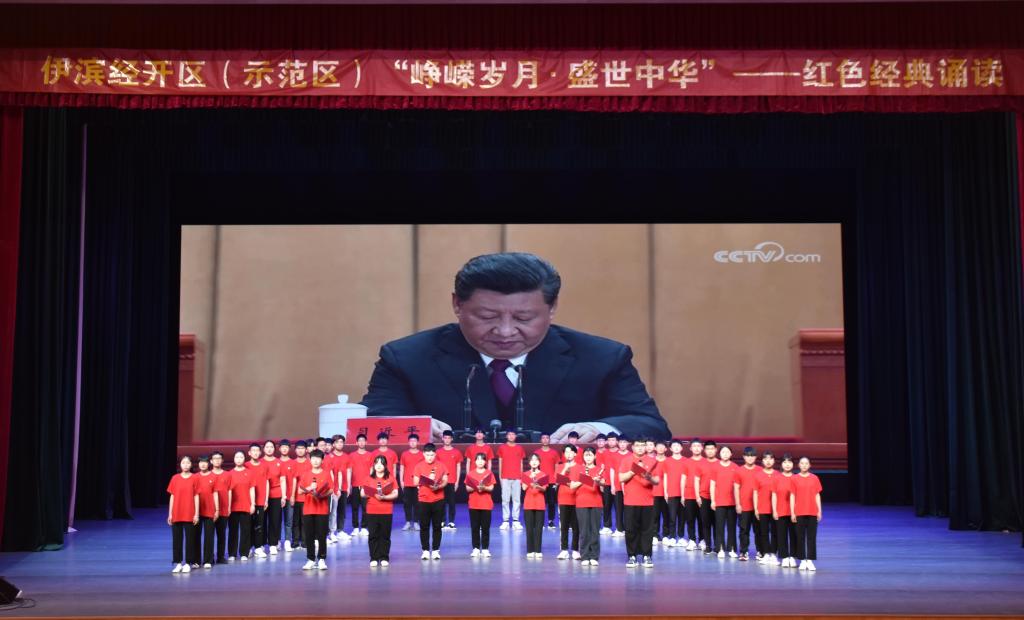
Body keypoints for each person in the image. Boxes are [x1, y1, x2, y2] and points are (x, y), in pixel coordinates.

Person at [360, 252, 670, 442]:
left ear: (552, 308)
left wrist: (598, 429)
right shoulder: (406, 358)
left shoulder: (602, 358)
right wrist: (412, 429)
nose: (505, 331)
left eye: (523, 318)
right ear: (457, 304)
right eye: (487, 316)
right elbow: (369, 426)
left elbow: (649, 425)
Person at [619, 437, 661, 568]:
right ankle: (632, 556)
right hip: (630, 501)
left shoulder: (652, 461)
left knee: (647, 530)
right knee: (631, 530)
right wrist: (634, 470)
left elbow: (657, 481)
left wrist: (649, 477)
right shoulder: (626, 460)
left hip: (647, 501)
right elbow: (621, 478)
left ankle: (647, 556)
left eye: (643, 445)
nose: (640, 448)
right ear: (632, 447)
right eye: (637, 445)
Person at [413, 443, 449, 560]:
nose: (430, 457)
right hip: (423, 499)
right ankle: (425, 550)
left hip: (438, 499)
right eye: (427, 455)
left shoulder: (441, 465)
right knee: (424, 526)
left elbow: (445, 480)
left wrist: (438, 486)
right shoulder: (418, 466)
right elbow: (415, 482)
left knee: (437, 526)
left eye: (432, 455)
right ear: (423, 454)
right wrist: (427, 479)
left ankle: (435, 550)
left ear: (435, 454)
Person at [363, 455, 399, 567]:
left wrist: (384, 497)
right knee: (373, 535)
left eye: (381, 463)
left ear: (385, 465)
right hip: (372, 510)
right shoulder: (369, 478)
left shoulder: (391, 478)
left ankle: (384, 557)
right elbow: (362, 493)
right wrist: (371, 493)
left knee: (385, 535)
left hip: (386, 510)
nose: (378, 465)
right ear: (374, 465)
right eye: (376, 463)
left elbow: (396, 494)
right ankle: (374, 557)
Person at [297, 449, 331, 570]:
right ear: (310, 460)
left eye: (318, 458)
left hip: (322, 509)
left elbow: (331, 489)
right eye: (313, 458)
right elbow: (299, 491)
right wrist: (309, 487)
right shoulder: (305, 474)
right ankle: (310, 559)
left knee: (322, 535)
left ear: (322, 460)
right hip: (308, 509)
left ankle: (321, 559)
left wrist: (322, 495)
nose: (316, 461)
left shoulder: (326, 474)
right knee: (309, 536)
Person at [572, 447, 606, 566]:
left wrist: (598, 481)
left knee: (595, 530)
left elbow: (603, 486)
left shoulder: (599, 469)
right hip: (581, 502)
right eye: (586, 455)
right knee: (584, 530)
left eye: (590, 455)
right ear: (583, 457)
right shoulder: (577, 469)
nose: (588, 457)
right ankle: (585, 555)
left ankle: (594, 556)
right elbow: (572, 486)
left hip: (596, 502)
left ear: (595, 456)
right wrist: (584, 480)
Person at [167, 456, 199, 574]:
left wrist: (196, 514)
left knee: (190, 539)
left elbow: (196, 496)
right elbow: (172, 496)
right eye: (183, 462)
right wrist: (170, 514)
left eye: (188, 463)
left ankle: (188, 563)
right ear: (180, 464)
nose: (185, 465)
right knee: (177, 539)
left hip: (189, 513)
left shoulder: (195, 478)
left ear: (191, 465)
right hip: (177, 512)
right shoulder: (175, 478)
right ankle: (178, 563)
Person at [791, 456, 822, 571]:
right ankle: (802, 560)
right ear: (799, 465)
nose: (804, 465)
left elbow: (817, 495)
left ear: (809, 465)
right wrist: (792, 512)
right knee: (800, 537)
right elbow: (792, 496)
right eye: (802, 463)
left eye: (806, 463)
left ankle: (810, 560)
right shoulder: (794, 478)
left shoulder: (814, 478)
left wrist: (819, 510)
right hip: (799, 511)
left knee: (811, 537)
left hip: (812, 511)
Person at [710, 445, 740, 559]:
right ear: (720, 454)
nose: (725, 454)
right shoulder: (715, 467)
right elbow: (712, 485)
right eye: (723, 452)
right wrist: (713, 500)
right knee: (719, 527)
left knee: (732, 527)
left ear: (731, 454)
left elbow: (738, 486)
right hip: (719, 502)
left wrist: (738, 502)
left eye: (727, 452)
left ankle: (732, 549)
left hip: (732, 502)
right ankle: (720, 549)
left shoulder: (735, 467)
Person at [465, 452, 496, 557]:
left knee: (485, 528)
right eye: (478, 459)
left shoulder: (489, 473)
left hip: (486, 504)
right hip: (474, 504)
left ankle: (485, 548)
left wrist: (484, 488)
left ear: (485, 462)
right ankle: (476, 548)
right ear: (475, 461)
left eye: (482, 459)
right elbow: (467, 488)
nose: (480, 461)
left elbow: (491, 488)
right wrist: (476, 487)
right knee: (475, 527)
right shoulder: (470, 474)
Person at [226, 450, 255, 562]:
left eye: (241, 457)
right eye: (237, 457)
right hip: (233, 507)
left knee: (245, 530)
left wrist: (252, 504)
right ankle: (232, 553)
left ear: (244, 459)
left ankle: (244, 553)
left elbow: (252, 489)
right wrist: (228, 507)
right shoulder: (229, 474)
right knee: (233, 531)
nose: (239, 459)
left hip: (246, 505)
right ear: (234, 459)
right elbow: (228, 491)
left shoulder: (249, 473)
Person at [244, 443, 270, 558]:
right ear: (249, 453)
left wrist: (266, 499)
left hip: (260, 500)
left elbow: (267, 482)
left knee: (259, 525)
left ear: (260, 452)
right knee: (248, 525)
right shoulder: (245, 465)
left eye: (257, 450)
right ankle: (248, 547)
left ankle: (258, 548)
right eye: (253, 450)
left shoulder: (264, 466)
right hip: (248, 501)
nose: (255, 452)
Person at [261, 440, 287, 555]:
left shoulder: (279, 462)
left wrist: (284, 496)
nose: (269, 449)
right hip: (262, 495)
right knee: (261, 520)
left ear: (274, 449)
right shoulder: (260, 462)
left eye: (271, 447)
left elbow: (283, 480)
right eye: (267, 447)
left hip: (276, 494)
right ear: (263, 449)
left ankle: (273, 544)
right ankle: (261, 544)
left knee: (275, 520)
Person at [772, 454, 798, 568]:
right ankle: (784, 557)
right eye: (785, 462)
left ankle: (792, 556)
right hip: (781, 511)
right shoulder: (777, 478)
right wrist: (774, 510)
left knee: (793, 534)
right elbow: (774, 495)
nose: (787, 465)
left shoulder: (796, 478)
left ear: (793, 464)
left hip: (794, 512)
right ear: (781, 464)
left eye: (789, 462)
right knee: (781, 535)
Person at [193, 456, 219, 569]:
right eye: (201, 462)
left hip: (209, 510)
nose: (203, 464)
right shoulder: (194, 477)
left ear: (209, 464)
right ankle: (196, 560)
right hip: (196, 511)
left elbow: (215, 493)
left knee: (209, 536)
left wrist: (217, 510)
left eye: (205, 462)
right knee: (195, 536)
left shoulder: (213, 476)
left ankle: (208, 560)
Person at [497, 430, 525, 531]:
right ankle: (505, 521)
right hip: (505, 477)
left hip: (517, 477)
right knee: (505, 499)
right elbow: (500, 462)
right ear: (506, 436)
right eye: (509, 434)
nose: (511, 436)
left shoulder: (520, 448)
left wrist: (521, 477)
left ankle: (515, 521)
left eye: (513, 434)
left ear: (516, 436)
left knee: (516, 499)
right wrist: (500, 477)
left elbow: (521, 463)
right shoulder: (502, 447)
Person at [660, 439, 687, 547]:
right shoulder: (667, 461)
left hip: (683, 493)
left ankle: (681, 536)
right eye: (674, 446)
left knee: (682, 517)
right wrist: (665, 492)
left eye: (678, 445)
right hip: (671, 492)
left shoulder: (686, 461)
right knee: (672, 516)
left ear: (681, 448)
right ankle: (672, 536)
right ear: (670, 448)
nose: (676, 447)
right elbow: (665, 477)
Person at [556, 445, 580, 560]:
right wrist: (565, 469)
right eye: (566, 452)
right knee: (564, 526)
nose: (568, 454)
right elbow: (557, 480)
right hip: (563, 499)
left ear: (575, 454)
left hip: (577, 500)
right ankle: (564, 550)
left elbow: (580, 482)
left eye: (571, 452)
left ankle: (575, 550)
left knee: (576, 527)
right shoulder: (560, 466)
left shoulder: (580, 467)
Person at [326, 435, 352, 543]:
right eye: (337, 442)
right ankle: (330, 532)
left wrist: (349, 486)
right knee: (332, 511)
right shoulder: (329, 457)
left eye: (341, 442)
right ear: (333, 444)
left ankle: (340, 531)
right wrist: (333, 488)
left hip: (344, 488)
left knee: (342, 510)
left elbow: (349, 471)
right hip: (333, 489)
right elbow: (329, 474)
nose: (340, 444)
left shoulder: (347, 457)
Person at [753, 451, 777, 564]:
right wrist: (756, 509)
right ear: (762, 461)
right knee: (764, 532)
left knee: (775, 532)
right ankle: (766, 553)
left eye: (770, 459)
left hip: (775, 509)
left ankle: (773, 554)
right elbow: (755, 493)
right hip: (762, 508)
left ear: (774, 461)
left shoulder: (778, 475)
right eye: (766, 459)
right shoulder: (758, 475)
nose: (768, 461)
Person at [736, 447, 760, 561]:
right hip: (744, 506)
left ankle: (760, 551)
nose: (750, 458)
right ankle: (744, 551)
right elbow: (736, 488)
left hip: (757, 507)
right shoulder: (739, 470)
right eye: (748, 456)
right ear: (744, 457)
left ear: (755, 457)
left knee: (758, 530)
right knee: (744, 530)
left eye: (752, 456)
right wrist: (738, 504)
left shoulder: (760, 470)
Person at [694, 440, 718, 554]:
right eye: (708, 449)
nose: (710, 451)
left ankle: (718, 546)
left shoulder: (720, 464)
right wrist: (697, 496)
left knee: (717, 523)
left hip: (717, 498)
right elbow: (696, 480)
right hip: (704, 496)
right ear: (704, 450)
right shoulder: (700, 464)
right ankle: (708, 545)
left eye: (712, 449)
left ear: (716, 450)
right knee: (706, 522)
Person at [522, 454, 548, 558]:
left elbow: (544, 489)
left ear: (539, 462)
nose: (534, 462)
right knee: (529, 528)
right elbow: (524, 488)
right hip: (528, 504)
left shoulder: (543, 474)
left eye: (536, 460)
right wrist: (530, 479)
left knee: (538, 528)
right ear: (529, 462)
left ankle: (538, 550)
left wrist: (538, 485)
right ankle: (530, 550)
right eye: (532, 460)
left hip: (539, 503)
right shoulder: (526, 474)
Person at [435, 431, 463, 529]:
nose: (447, 440)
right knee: (441, 502)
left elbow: (458, 467)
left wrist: (457, 481)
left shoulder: (456, 452)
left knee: (451, 503)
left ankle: (451, 521)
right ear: (442, 439)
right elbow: (436, 466)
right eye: (445, 438)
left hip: (452, 481)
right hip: (441, 482)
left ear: (452, 439)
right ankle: (442, 521)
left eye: (449, 438)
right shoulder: (438, 452)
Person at [532, 433, 560, 528]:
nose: (545, 439)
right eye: (543, 438)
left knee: (551, 502)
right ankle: (540, 521)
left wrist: (556, 480)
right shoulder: (536, 453)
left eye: (547, 438)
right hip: (540, 481)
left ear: (549, 440)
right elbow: (534, 467)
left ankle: (551, 521)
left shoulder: (554, 453)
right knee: (540, 502)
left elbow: (557, 467)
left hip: (551, 481)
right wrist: (535, 478)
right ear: (540, 440)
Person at [348, 434, 373, 536]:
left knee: (365, 507)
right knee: (354, 507)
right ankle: (355, 528)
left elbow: (372, 470)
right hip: (354, 485)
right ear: (356, 443)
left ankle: (363, 527)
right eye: (360, 440)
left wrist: (370, 483)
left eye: (363, 440)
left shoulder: (370, 455)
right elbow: (349, 470)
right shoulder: (351, 455)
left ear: (366, 442)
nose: (361, 442)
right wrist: (349, 484)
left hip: (366, 486)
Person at [399, 433, 424, 531]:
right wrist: (401, 480)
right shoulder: (404, 454)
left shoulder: (422, 454)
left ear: (418, 442)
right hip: (407, 483)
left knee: (418, 504)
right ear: (408, 442)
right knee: (407, 504)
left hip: (418, 483)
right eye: (411, 441)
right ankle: (408, 522)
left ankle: (416, 522)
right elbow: (402, 468)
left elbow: (423, 469)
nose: (413, 443)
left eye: (414, 441)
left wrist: (422, 482)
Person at [682, 438, 703, 551]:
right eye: (694, 446)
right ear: (690, 448)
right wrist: (682, 495)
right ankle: (692, 540)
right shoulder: (686, 462)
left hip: (703, 495)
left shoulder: (705, 462)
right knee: (690, 519)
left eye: (698, 446)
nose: (696, 448)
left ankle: (703, 540)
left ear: (702, 448)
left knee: (702, 519)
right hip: (689, 495)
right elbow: (683, 479)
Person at [210, 451, 231, 564]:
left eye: (219, 458)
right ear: (211, 461)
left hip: (223, 509)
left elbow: (230, 491)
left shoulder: (227, 475)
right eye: (215, 458)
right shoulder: (208, 475)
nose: (217, 460)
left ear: (222, 461)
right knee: (209, 535)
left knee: (222, 534)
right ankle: (210, 557)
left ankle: (221, 556)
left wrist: (229, 507)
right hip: (209, 510)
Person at [290, 441, 311, 549]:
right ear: (295, 450)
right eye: (298, 448)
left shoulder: (310, 463)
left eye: (302, 448)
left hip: (307, 497)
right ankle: (295, 540)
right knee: (295, 521)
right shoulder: (293, 463)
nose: (300, 450)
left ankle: (305, 541)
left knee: (305, 520)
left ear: (306, 450)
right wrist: (292, 496)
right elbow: (293, 480)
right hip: (295, 497)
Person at [596, 433, 617, 534]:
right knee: (606, 505)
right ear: (607, 442)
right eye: (610, 440)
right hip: (606, 483)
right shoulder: (604, 453)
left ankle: (620, 528)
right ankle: (607, 526)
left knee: (619, 507)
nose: (611, 442)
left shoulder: (620, 453)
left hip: (618, 484)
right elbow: (601, 468)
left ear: (616, 441)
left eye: (613, 440)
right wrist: (601, 483)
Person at [277, 440, 295, 551]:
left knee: (289, 520)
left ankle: (288, 540)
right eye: (282, 447)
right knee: (277, 520)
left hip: (289, 496)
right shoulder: (276, 462)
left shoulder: (293, 463)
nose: (284, 449)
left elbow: (295, 480)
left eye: (286, 447)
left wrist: (292, 495)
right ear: (279, 449)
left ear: (289, 448)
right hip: (277, 497)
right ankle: (277, 541)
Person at [611, 437, 631, 537]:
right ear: (618, 443)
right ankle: (619, 529)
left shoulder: (631, 455)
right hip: (617, 485)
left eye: (624, 442)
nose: (622, 444)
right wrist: (612, 485)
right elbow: (612, 470)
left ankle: (629, 529)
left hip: (629, 486)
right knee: (618, 509)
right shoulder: (614, 455)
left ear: (628, 443)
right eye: (621, 442)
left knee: (629, 509)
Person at [651, 441, 669, 547]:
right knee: (654, 515)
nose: (661, 448)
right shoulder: (651, 462)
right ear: (655, 448)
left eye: (663, 447)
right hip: (654, 493)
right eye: (658, 446)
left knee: (666, 515)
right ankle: (654, 535)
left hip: (667, 493)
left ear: (666, 449)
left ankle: (666, 535)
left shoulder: (669, 461)